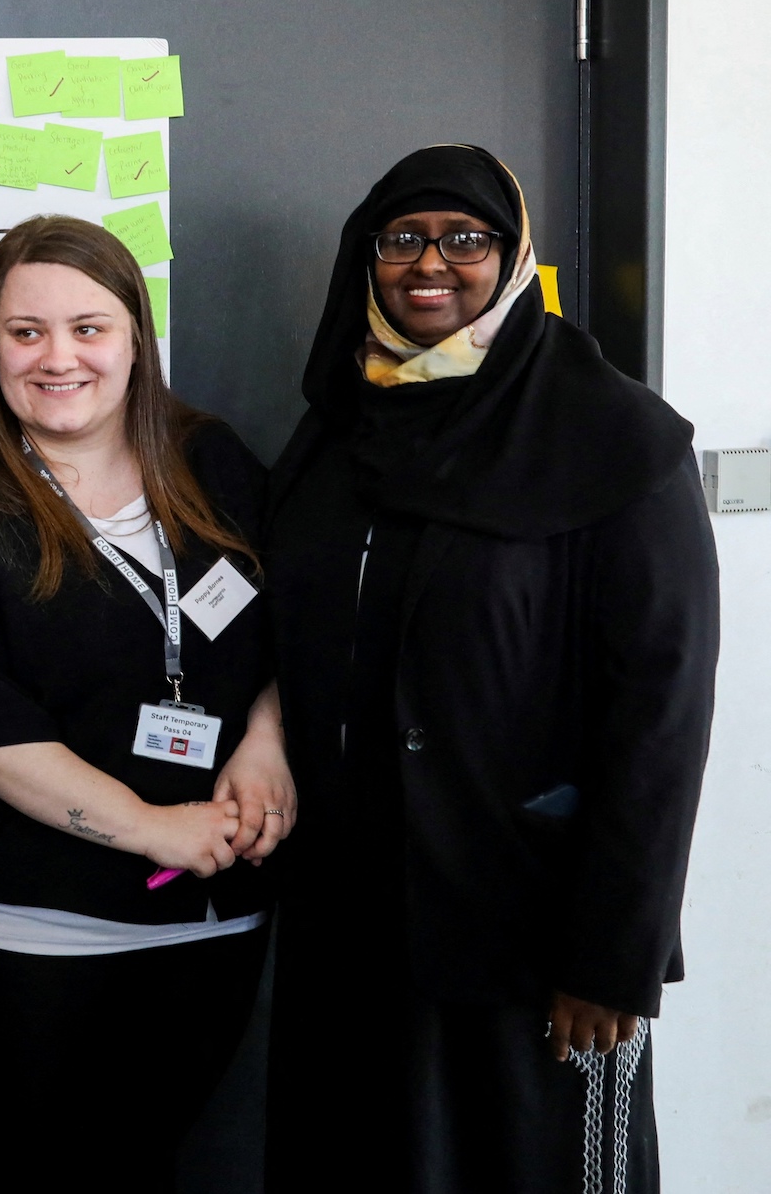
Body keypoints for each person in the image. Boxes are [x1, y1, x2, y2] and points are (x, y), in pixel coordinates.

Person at [263, 145, 718, 1193]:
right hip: (353, 918)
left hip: (526, 931)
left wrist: (614, 955)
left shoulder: (615, 439)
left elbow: (661, 712)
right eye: (402, 238)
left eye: (465, 238)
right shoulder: (336, 432)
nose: (431, 263)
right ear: (365, 259)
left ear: (511, 258)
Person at [0, 215, 292, 1189]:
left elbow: (304, 623)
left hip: (211, 922)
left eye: (88, 327)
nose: (56, 356)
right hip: (30, 933)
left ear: (133, 338)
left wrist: (265, 739)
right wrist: (151, 826)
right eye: (25, 331)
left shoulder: (213, 462)